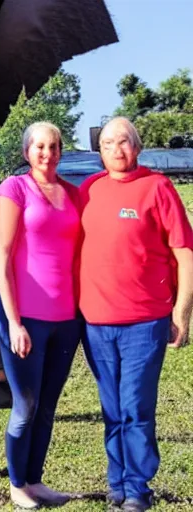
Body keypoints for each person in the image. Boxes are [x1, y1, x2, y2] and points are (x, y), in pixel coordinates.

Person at [79, 117, 193, 512]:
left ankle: (138, 488)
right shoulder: (88, 190)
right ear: (100, 150)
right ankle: (117, 483)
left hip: (145, 322)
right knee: (112, 409)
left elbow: (184, 251)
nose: (116, 149)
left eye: (124, 141)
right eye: (108, 142)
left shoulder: (158, 188)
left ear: (137, 147)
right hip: (95, 323)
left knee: (136, 408)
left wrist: (183, 310)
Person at [0, 121, 82, 509]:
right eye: (40, 146)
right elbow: (2, 256)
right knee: (26, 406)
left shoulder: (75, 194)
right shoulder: (15, 189)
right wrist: (14, 322)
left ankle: (35, 480)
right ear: (27, 151)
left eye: (54, 146)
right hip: (24, 317)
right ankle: (16, 484)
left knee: (47, 406)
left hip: (67, 319)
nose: (48, 153)